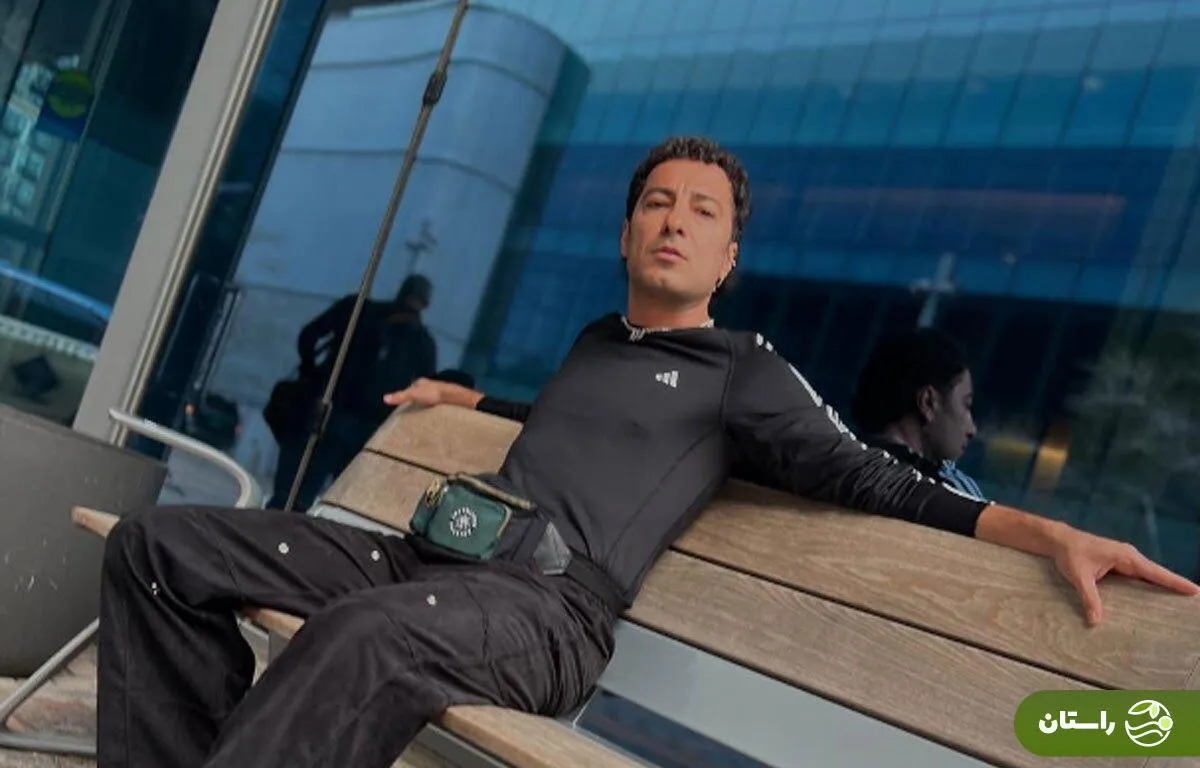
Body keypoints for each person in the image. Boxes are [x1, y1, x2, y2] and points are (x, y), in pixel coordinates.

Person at [97, 136, 1198, 768]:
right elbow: (571, 411)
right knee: (158, 548)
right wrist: (466, 396)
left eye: (701, 211)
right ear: (627, 233)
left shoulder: (742, 370)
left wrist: (1045, 529)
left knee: (363, 636)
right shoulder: (599, 341)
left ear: (728, 255)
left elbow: (872, 474)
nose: (674, 219)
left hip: (546, 614)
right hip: (431, 565)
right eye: (657, 203)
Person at [266, 273, 437, 511]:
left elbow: (308, 336)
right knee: (329, 503)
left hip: (333, 415)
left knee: (296, 495)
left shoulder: (361, 312)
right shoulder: (418, 341)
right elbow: (423, 391)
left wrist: (312, 375)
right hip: (351, 423)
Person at [851, 327, 986, 499]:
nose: (972, 429)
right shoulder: (951, 494)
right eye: (966, 405)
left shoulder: (834, 465)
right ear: (928, 402)